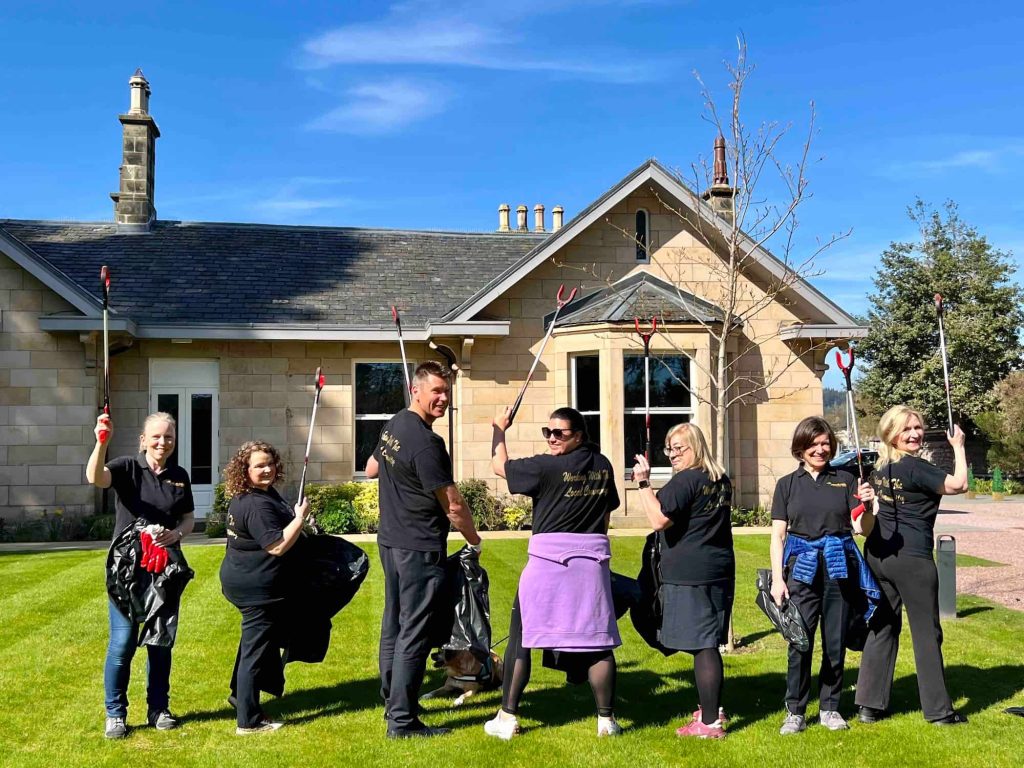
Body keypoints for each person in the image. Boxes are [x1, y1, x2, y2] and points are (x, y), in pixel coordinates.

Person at [485, 406, 623, 740]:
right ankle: (606, 721)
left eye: (559, 433)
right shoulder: (602, 464)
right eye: (547, 432)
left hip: (547, 565)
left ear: (579, 435)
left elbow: (499, 466)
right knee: (598, 642)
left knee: (522, 639)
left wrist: (499, 429)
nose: (551, 438)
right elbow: (605, 515)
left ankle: (507, 717)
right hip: (591, 565)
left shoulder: (546, 466)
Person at [365, 360, 482, 739]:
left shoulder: (395, 423)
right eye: (436, 391)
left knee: (394, 625)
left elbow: (371, 468)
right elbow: (452, 504)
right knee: (413, 632)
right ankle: (402, 720)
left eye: (447, 392)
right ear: (416, 390)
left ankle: (392, 704)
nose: (443, 399)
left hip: (391, 541)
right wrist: (474, 539)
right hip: (417, 546)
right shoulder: (428, 444)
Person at [855, 405, 969, 725]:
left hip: (877, 557)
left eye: (917, 428)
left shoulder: (878, 471)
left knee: (882, 628)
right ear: (891, 435)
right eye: (906, 429)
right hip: (912, 560)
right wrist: (958, 447)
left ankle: (869, 705)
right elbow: (959, 485)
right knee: (926, 634)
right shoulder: (916, 468)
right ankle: (938, 711)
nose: (915, 434)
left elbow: (864, 523)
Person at [86, 411, 195, 740]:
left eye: (169, 438)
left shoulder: (179, 475)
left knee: (160, 643)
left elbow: (188, 518)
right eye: (157, 436)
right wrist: (100, 442)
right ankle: (115, 713)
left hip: (163, 569)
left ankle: (158, 708)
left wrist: (176, 535)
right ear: (143, 440)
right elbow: (96, 477)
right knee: (122, 643)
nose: (163, 442)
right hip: (126, 569)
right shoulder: (127, 467)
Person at [769, 416, 879, 735]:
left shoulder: (845, 480)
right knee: (799, 642)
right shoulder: (787, 485)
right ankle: (796, 711)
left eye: (825, 443)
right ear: (800, 447)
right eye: (814, 444)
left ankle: (830, 707)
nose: (820, 449)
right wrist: (778, 579)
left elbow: (861, 529)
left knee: (835, 641)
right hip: (801, 570)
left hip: (838, 568)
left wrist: (869, 507)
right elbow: (778, 536)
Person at [632, 422, 734, 739]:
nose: (674, 454)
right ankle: (709, 708)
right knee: (704, 641)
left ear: (696, 447)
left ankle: (709, 723)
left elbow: (658, 519)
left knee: (703, 645)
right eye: (670, 447)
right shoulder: (719, 479)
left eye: (680, 447)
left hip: (691, 574)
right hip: (718, 570)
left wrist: (643, 484)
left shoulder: (687, 480)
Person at [219, 440, 311, 735]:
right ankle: (248, 720)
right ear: (244, 470)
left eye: (270, 463)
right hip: (255, 587)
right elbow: (277, 545)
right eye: (259, 465)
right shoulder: (256, 505)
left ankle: (239, 695)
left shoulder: (253, 495)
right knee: (255, 650)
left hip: (244, 580)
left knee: (254, 644)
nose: (267, 469)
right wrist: (300, 519)